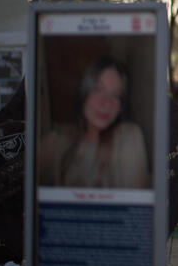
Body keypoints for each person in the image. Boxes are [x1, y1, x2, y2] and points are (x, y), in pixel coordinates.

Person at [39, 56, 150, 188]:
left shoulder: (128, 137)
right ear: (83, 92)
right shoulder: (57, 141)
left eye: (115, 95)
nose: (106, 103)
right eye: (98, 89)